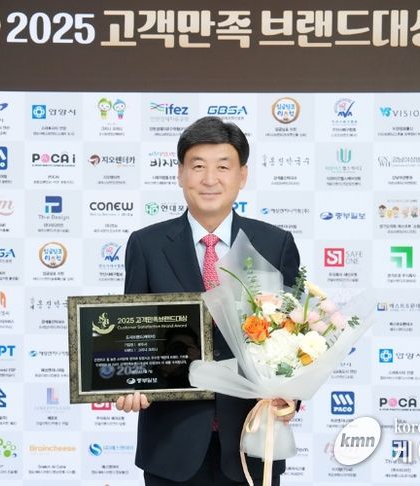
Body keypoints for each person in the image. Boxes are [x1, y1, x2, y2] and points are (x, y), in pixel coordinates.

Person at [119, 116, 301, 485]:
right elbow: (132, 336)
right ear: (180, 174)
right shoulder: (147, 244)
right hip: (172, 445)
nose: (209, 179)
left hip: (252, 439)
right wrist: (129, 382)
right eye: (198, 166)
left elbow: (293, 336)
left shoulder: (274, 244)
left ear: (242, 175)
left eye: (223, 166)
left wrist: (291, 395)